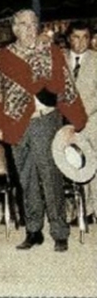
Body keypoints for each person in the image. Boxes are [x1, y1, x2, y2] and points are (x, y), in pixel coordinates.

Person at [0, 9, 87, 252]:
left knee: (50, 177)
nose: (31, 28)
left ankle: (59, 232)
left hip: (45, 121)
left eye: (34, 24)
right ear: (15, 29)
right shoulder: (5, 57)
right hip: (16, 122)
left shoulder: (51, 52)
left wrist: (75, 121)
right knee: (26, 178)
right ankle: (33, 231)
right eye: (24, 24)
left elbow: (66, 88)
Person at [65, 21, 97, 225]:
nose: (80, 42)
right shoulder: (59, 60)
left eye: (85, 37)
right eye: (76, 37)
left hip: (93, 122)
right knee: (77, 165)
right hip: (67, 125)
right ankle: (84, 211)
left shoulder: (96, 60)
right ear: (69, 38)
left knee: (95, 166)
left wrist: (81, 115)